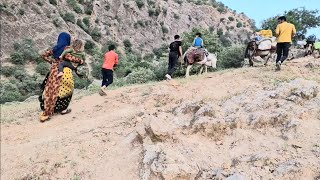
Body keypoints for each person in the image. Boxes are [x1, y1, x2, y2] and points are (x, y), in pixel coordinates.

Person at [39, 32, 83, 122]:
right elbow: (69, 57)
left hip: (53, 71)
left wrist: (52, 62)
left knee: (51, 90)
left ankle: (48, 110)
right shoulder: (67, 48)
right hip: (64, 72)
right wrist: (80, 60)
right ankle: (63, 109)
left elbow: (43, 55)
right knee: (65, 91)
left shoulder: (55, 48)